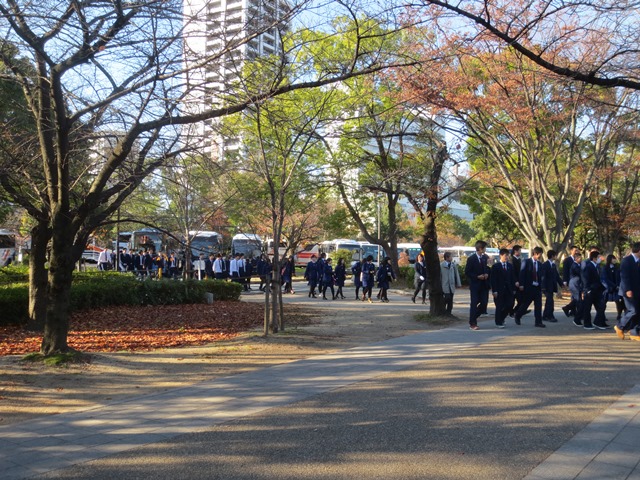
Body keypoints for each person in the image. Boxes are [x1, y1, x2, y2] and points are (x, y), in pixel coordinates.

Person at [515, 246, 545, 328]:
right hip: (529, 287)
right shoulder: (526, 262)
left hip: (537, 287)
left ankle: (538, 322)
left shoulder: (539, 264)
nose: (541, 256)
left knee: (538, 305)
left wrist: (541, 285)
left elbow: (541, 276)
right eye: (540, 254)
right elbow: (522, 273)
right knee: (526, 304)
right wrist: (521, 284)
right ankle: (518, 315)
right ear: (536, 254)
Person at [615, 242, 640, 340]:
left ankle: (634, 332)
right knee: (633, 310)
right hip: (628, 291)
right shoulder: (627, 260)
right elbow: (624, 276)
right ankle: (619, 326)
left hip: (637, 290)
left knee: (637, 311)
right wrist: (628, 289)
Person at [465, 240, 490, 330]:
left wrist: (487, 274)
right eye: (484, 248)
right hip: (475, 285)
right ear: (480, 248)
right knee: (474, 303)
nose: (485, 249)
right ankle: (473, 323)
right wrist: (477, 276)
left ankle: (473, 317)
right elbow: (467, 272)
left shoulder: (484, 258)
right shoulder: (471, 259)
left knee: (484, 303)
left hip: (484, 284)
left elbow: (486, 268)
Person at [580, 249, 607, 330]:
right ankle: (587, 324)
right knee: (587, 308)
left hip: (598, 290)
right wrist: (587, 290)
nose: (600, 258)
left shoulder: (597, 266)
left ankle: (598, 322)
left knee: (601, 306)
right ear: (594, 258)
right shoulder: (588, 266)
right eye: (599, 257)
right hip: (590, 290)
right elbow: (585, 279)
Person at [490, 248, 516, 328]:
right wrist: (494, 290)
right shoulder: (495, 266)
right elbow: (493, 279)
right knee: (499, 306)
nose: (507, 257)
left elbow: (512, 278)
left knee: (510, 304)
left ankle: (502, 318)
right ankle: (498, 322)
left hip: (508, 289)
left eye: (508, 255)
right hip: (499, 289)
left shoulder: (510, 266)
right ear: (500, 255)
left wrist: (514, 289)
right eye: (505, 255)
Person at [602, 254, 625, 322]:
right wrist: (613, 285)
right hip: (608, 288)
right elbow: (605, 279)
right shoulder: (605, 268)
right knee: (604, 302)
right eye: (613, 259)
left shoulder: (617, 267)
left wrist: (618, 285)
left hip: (616, 288)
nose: (614, 260)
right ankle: (602, 315)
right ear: (610, 259)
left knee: (618, 301)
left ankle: (619, 315)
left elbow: (619, 277)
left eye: (615, 258)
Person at [541, 250, 562, 322]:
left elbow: (557, 276)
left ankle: (545, 315)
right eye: (555, 255)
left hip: (552, 286)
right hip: (546, 287)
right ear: (552, 256)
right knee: (550, 301)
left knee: (549, 301)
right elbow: (543, 277)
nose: (556, 257)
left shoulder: (553, 265)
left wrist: (561, 284)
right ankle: (550, 316)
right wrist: (543, 287)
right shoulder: (545, 265)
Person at [562, 245, 580, 317]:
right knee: (575, 297)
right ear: (571, 251)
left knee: (574, 297)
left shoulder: (578, 259)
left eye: (577, 250)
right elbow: (565, 271)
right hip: (571, 281)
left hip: (577, 281)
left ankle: (573, 311)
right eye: (575, 250)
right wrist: (565, 281)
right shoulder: (567, 260)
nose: (576, 252)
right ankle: (571, 310)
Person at [568, 251, 584, 326]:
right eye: (580, 258)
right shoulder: (574, 266)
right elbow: (580, 273)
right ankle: (578, 316)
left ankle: (567, 308)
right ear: (576, 258)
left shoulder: (578, 265)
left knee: (577, 299)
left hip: (577, 284)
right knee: (578, 300)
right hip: (574, 285)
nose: (581, 259)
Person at [509, 245, 524, 316]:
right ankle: (511, 312)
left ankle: (517, 310)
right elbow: (513, 272)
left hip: (519, 282)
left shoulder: (519, 260)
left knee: (521, 299)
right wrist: (515, 281)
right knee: (512, 300)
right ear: (515, 251)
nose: (520, 252)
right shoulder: (512, 260)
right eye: (519, 250)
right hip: (514, 283)